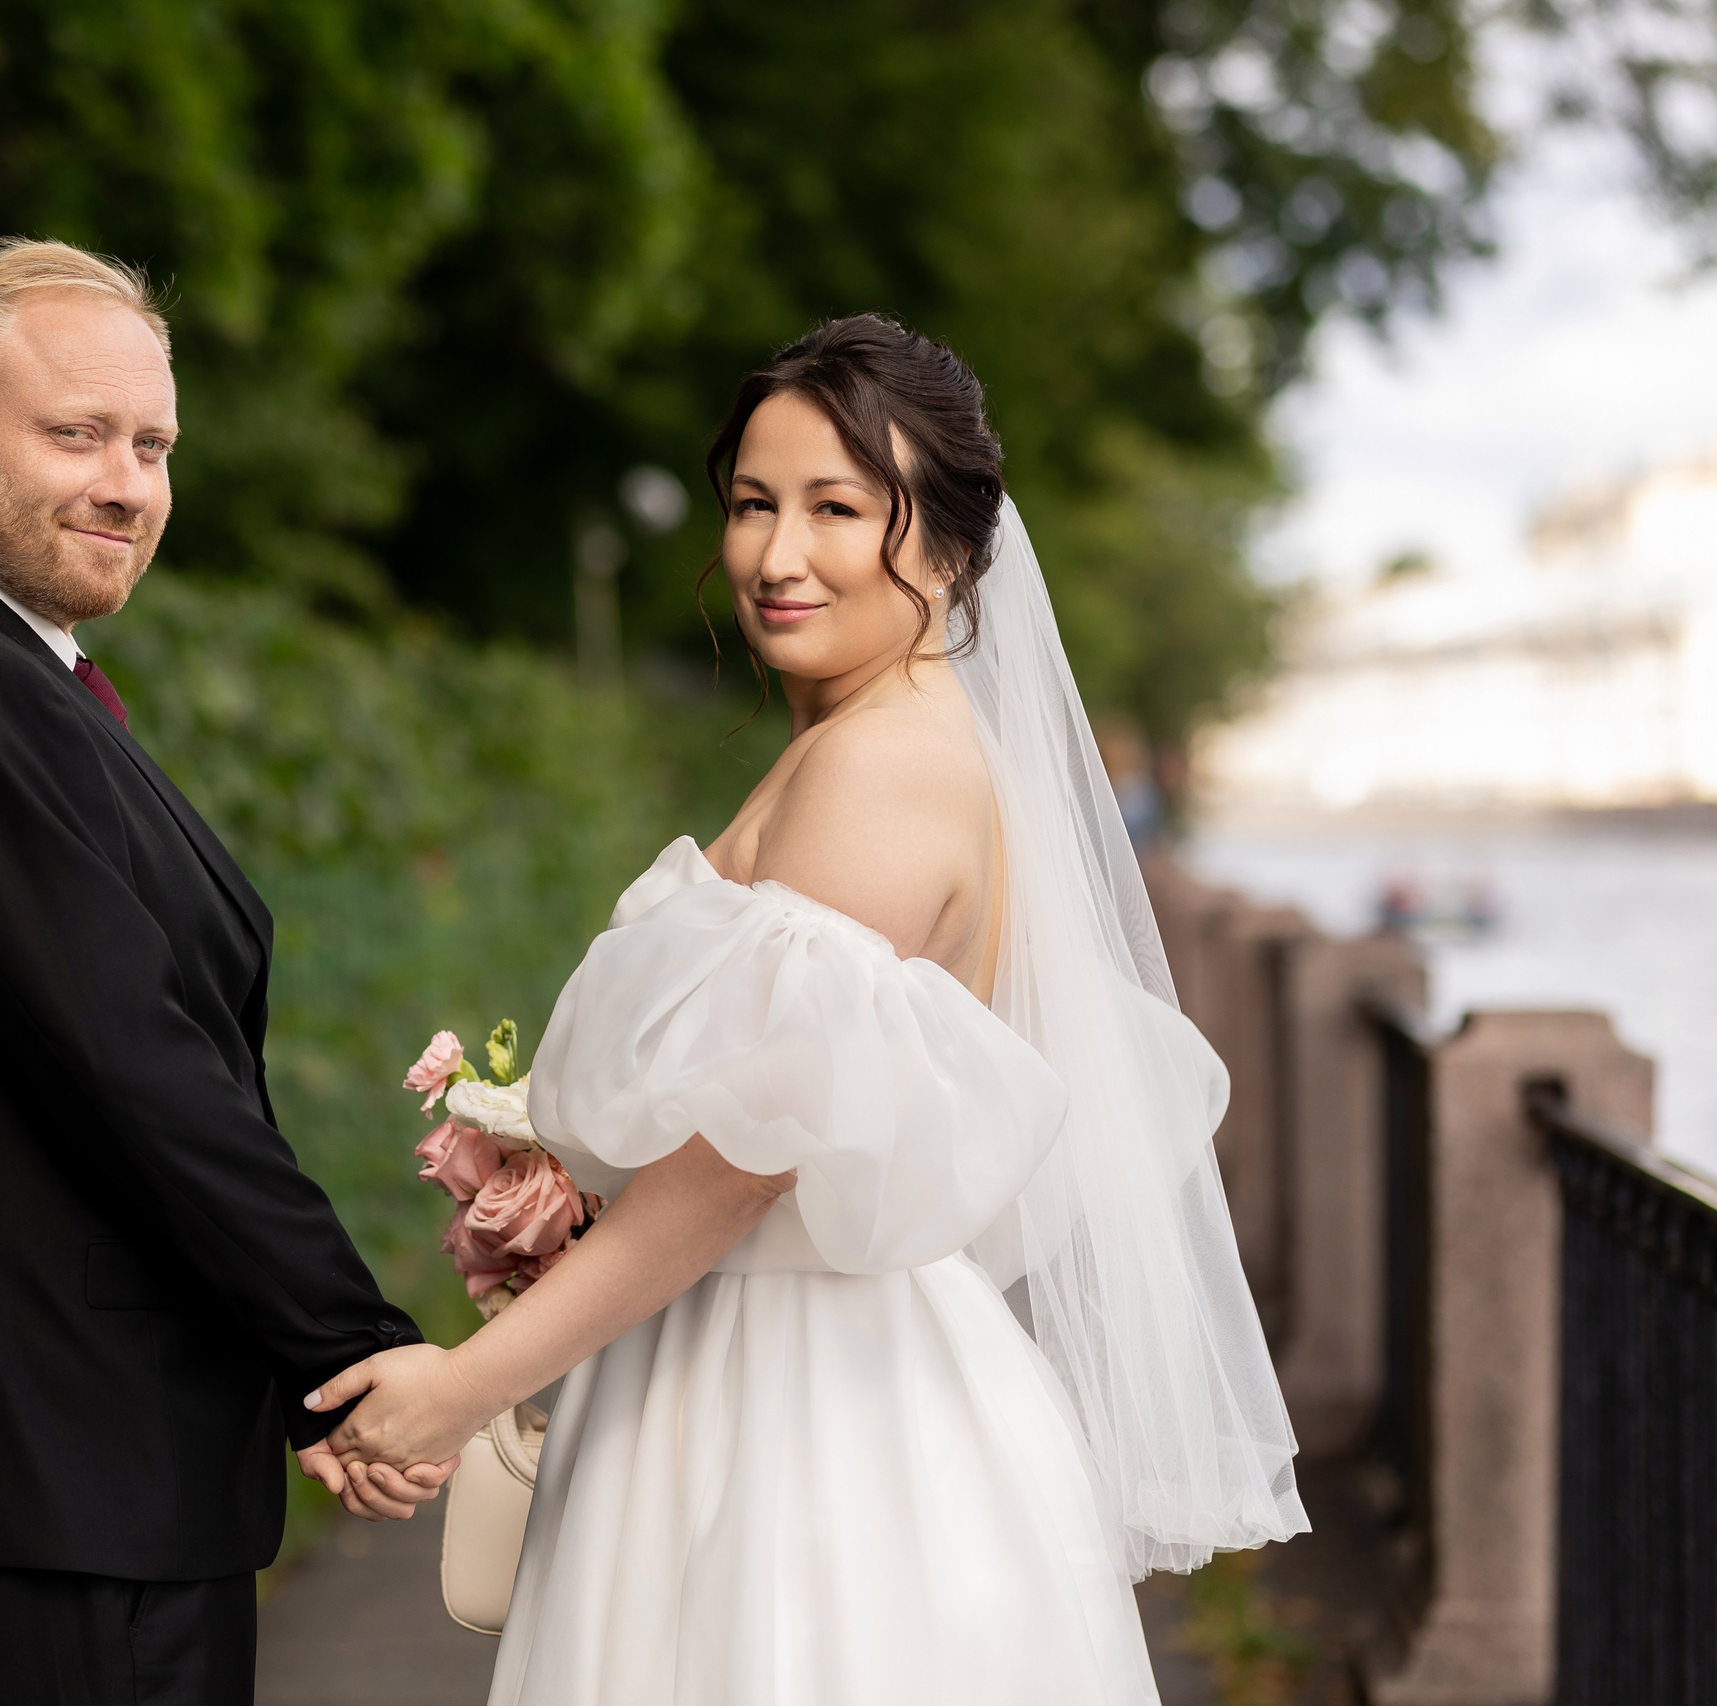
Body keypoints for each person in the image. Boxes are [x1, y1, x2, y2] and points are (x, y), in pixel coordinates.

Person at [307, 315, 1308, 1703]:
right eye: (752, 505)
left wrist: (468, 1382)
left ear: (950, 546)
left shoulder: (882, 771)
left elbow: (735, 1166)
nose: (778, 556)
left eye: (838, 508)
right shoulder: (865, 741)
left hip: (801, 1420)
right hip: (763, 1367)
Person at [0, 237, 440, 1706]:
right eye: (76, 433)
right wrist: (344, 1347)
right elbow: (137, 1069)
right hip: (43, 1505)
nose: (128, 483)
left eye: (152, 443)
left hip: (3, 1491)